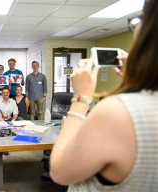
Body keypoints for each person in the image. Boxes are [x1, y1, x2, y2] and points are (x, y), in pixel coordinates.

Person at [50, 1, 158, 191]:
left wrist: (81, 98)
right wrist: (134, 78)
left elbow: (59, 172)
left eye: (140, 19)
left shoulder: (116, 112)